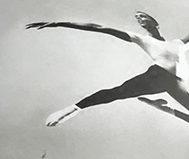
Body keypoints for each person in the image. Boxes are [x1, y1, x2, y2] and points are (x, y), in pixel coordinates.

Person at [26, 12, 189, 126]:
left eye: (142, 17)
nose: (139, 19)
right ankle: (71, 109)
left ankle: (165, 109)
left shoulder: (178, 43)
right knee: (117, 92)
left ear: (154, 22)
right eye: (138, 19)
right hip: (158, 75)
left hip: (175, 83)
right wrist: (59, 24)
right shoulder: (143, 39)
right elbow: (100, 27)